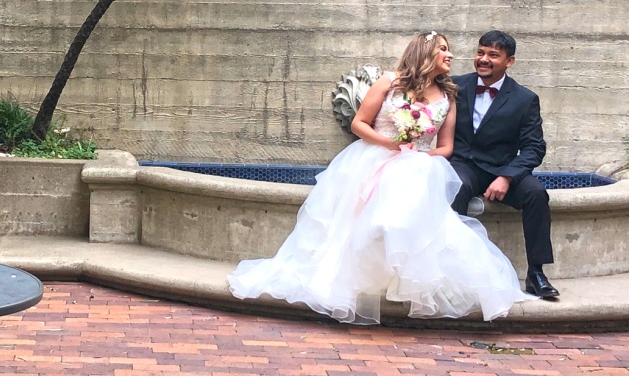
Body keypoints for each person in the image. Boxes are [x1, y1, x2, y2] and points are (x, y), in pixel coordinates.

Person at [228, 31, 534, 325]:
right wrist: (391, 145)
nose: (450, 54)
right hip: (375, 157)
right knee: (372, 223)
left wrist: (416, 156)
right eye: (442, 49)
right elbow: (359, 123)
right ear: (425, 53)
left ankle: (404, 279)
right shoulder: (389, 83)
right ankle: (362, 278)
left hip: (419, 165)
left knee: (404, 219)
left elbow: (446, 147)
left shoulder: (448, 95)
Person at [450, 30, 558, 299]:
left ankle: (536, 273)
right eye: (480, 52)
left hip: (503, 168)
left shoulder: (524, 99)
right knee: (456, 186)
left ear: (509, 61)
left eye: (493, 55)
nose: (483, 59)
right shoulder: (454, 86)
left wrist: (507, 177)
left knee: (536, 194)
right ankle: (454, 268)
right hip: (465, 163)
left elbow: (534, 147)